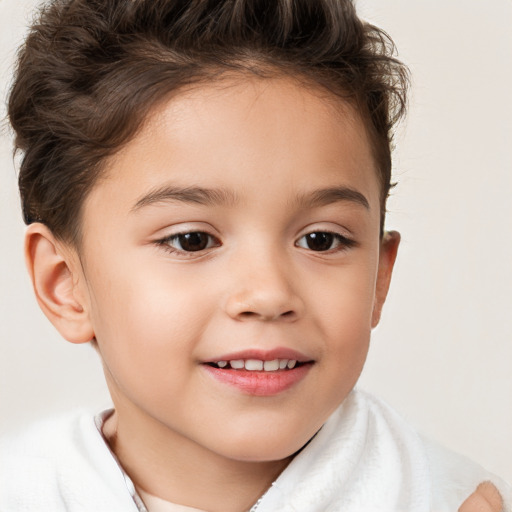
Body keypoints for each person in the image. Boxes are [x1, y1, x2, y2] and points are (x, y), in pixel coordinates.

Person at [0, 0, 510, 511]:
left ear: (379, 276)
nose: (268, 294)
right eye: (191, 240)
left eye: (321, 239)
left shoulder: (447, 500)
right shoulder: (23, 491)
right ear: (64, 284)